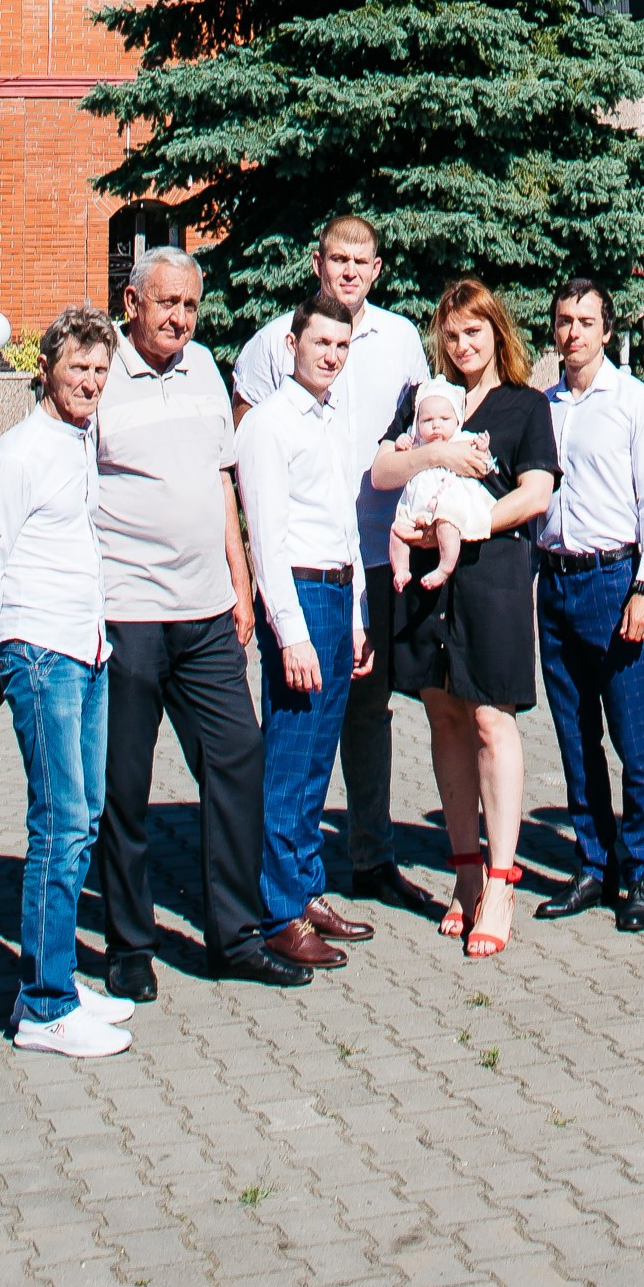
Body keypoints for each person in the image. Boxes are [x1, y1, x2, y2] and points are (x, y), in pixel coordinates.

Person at [90, 246, 303, 998]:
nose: (181, 319)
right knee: (125, 783)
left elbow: (222, 481)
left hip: (207, 612)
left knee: (238, 758)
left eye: (190, 305)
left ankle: (235, 937)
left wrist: (242, 585)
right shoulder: (100, 373)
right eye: (167, 303)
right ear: (132, 303)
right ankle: (130, 946)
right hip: (126, 615)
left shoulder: (205, 366)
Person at [232, 211, 439, 919]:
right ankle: (286, 883)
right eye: (337, 259)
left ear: (376, 270)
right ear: (316, 263)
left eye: (361, 262)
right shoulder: (275, 343)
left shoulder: (400, 339)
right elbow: (248, 441)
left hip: (377, 553)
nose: (349, 271)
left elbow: (423, 424)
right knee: (300, 721)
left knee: (365, 711)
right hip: (301, 566)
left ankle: (371, 856)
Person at [0, 304, 136, 1056]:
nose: (90, 382)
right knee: (59, 826)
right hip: (39, 652)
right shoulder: (20, 453)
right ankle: (43, 1007)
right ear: (46, 369)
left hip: (85, 648)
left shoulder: (78, 440)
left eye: (100, 370)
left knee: (83, 817)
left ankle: (56, 975)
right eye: (77, 369)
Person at [371, 277, 557, 961]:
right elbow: (383, 470)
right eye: (450, 335)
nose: (461, 345)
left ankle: (502, 883)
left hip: (492, 580)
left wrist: (469, 522)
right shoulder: (427, 400)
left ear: (496, 332)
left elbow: (535, 493)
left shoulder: (525, 405)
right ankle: (465, 874)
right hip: (425, 582)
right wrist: (436, 456)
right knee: (444, 717)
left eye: (473, 332)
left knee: (489, 719)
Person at [233, 295, 375, 972]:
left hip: (337, 592)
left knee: (319, 755)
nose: (332, 356)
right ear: (292, 346)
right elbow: (266, 536)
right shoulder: (268, 424)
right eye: (321, 343)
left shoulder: (331, 417)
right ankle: (278, 911)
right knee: (291, 756)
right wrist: (290, 633)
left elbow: (344, 523)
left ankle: (306, 887)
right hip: (299, 595)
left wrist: (357, 617)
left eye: (342, 347)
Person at [534, 277, 644, 934]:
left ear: (607, 330)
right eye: (564, 321)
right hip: (555, 583)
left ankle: (642, 871)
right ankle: (594, 863)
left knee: (632, 735)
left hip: (613, 581)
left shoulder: (634, 402)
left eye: (586, 322)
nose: (573, 333)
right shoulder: (545, 406)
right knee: (575, 735)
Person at [387, 374, 498, 587]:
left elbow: (484, 466)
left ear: (457, 420)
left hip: (446, 505)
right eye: (427, 420)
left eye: (444, 419)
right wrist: (401, 442)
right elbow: (397, 461)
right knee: (397, 531)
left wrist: (483, 449)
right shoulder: (416, 443)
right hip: (416, 505)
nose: (436, 426)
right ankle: (401, 569)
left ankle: (445, 567)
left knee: (448, 527)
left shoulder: (463, 439)